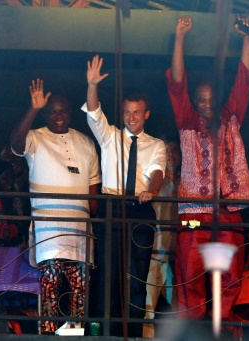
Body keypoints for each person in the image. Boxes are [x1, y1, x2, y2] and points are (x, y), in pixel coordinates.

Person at [165, 15, 249, 331]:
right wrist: (179, 39)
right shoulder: (188, 121)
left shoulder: (231, 116)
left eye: (210, 99)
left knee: (230, 277)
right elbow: (177, 84)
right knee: (189, 274)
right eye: (200, 100)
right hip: (194, 214)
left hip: (228, 213)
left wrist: (247, 39)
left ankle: (225, 331)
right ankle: (190, 333)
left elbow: (244, 81)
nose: (205, 105)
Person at [82, 55, 166, 337]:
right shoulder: (109, 136)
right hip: (111, 207)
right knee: (108, 274)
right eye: (128, 112)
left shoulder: (156, 144)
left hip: (140, 208)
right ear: (123, 114)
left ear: (147, 114)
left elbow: (157, 172)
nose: (132, 117)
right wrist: (92, 85)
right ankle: (108, 333)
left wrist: (152, 191)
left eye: (137, 112)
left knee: (137, 274)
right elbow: (93, 113)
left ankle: (132, 333)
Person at [10, 79, 101, 334]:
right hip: (49, 231)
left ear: (70, 112)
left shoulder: (86, 143)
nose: (58, 115)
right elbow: (15, 144)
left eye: (62, 111)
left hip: (80, 232)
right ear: (46, 114)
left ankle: (73, 333)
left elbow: (94, 186)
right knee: (50, 285)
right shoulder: (35, 138)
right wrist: (33, 109)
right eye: (52, 111)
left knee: (78, 291)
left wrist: (93, 220)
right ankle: (48, 334)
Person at [142, 137, 181, 338]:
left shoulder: (185, 182)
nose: (172, 154)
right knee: (148, 308)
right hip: (154, 253)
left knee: (179, 310)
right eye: (167, 151)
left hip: (176, 255)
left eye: (175, 150)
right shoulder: (154, 181)